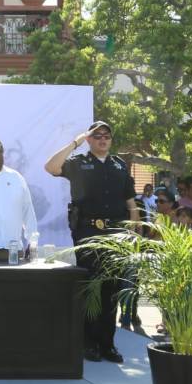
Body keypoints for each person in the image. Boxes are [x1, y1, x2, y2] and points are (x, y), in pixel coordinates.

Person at [46, 120, 137, 364]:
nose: (102, 139)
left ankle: (107, 344)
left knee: (111, 289)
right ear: (89, 139)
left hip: (117, 234)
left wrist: (134, 230)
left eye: (106, 135)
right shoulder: (79, 163)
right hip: (88, 231)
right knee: (91, 287)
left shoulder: (119, 165)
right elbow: (51, 167)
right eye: (97, 136)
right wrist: (76, 141)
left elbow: (130, 202)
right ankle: (89, 343)